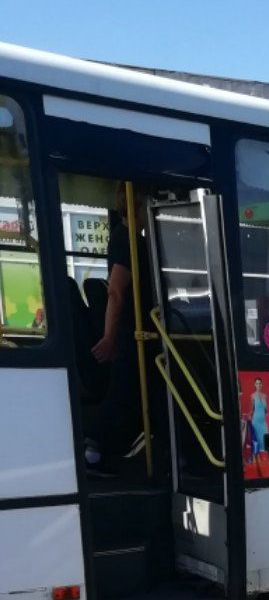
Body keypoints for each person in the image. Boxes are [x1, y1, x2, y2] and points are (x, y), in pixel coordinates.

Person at [84, 184, 149, 474]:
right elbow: (117, 291)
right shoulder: (125, 241)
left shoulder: (134, 238)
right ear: (138, 206)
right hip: (131, 334)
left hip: (139, 332)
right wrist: (110, 336)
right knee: (123, 393)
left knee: (134, 394)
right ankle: (90, 446)